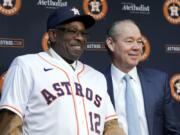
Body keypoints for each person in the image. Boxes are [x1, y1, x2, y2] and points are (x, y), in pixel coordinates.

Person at [0, 6, 125, 135]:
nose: (80, 38)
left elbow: (111, 126)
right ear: (53, 35)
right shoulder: (26, 65)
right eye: (72, 31)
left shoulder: (97, 77)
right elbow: (10, 125)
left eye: (83, 33)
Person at [103, 19, 180, 135]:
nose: (137, 47)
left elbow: (172, 131)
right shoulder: (97, 83)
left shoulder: (159, 81)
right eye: (129, 41)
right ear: (111, 44)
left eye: (139, 41)